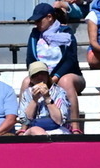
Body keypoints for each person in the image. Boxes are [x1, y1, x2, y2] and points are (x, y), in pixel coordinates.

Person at [26, 3, 86, 132]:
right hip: (42, 75)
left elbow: (70, 59)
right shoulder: (34, 35)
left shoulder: (66, 32)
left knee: (66, 82)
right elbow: (30, 59)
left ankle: (75, 127)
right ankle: (24, 126)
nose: (36, 24)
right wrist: (38, 77)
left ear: (49, 17)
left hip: (68, 75)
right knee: (26, 82)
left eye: (38, 20)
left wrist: (55, 77)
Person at [18, 61, 73, 134]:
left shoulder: (59, 92)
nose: (40, 77)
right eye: (36, 75)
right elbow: (26, 121)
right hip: (33, 131)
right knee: (35, 130)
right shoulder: (27, 93)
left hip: (57, 129)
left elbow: (59, 120)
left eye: (43, 74)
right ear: (31, 79)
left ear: (47, 76)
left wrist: (47, 98)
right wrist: (34, 100)